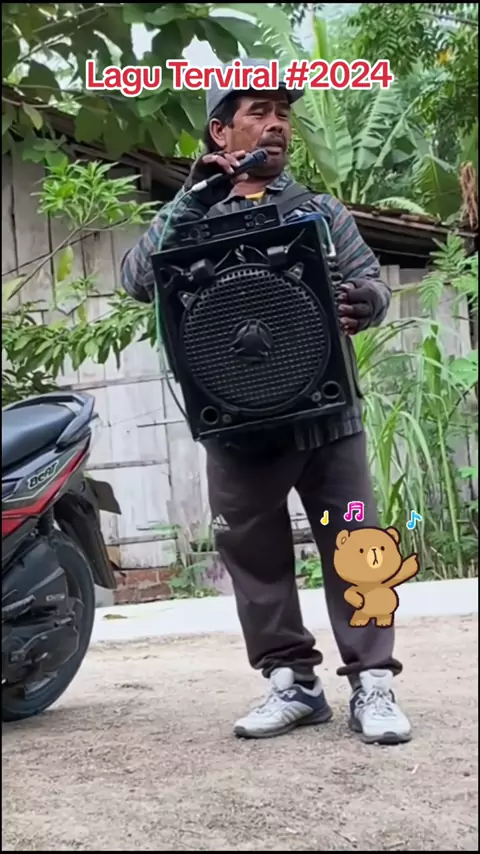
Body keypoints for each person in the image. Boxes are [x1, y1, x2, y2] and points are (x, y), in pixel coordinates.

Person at [120, 59, 412, 745]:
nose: (276, 123)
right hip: (238, 422)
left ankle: (373, 681)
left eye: (283, 112)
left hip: (328, 417)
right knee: (254, 555)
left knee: (357, 544)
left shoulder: (321, 211)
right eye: (258, 111)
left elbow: (372, 281)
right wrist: (193, 195)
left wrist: (365, 301)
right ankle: (291, 683)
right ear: (220, 132)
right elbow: (136, 279)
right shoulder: (192, 214)